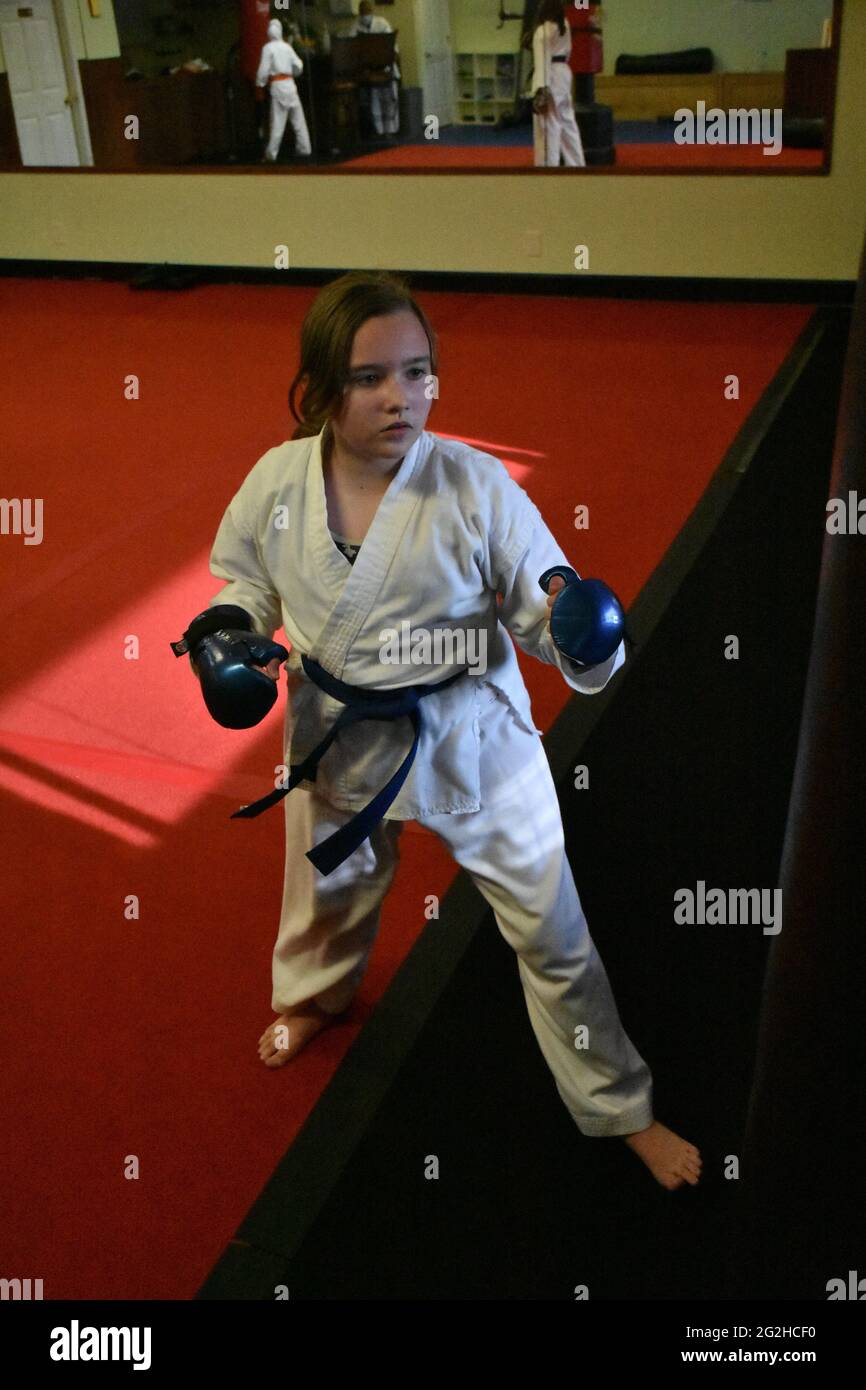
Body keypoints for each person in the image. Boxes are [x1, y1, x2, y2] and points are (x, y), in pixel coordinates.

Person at [195, 270, 701, 1192]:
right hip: (341, 732)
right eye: (370, 377)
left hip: (471, 731)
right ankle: (312, 998)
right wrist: (230, 630)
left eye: (419, 371)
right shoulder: (278, 480)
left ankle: (618, 1103)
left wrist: (579, 626)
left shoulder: (474, 485)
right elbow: (248, 580)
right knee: (327, 892)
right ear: (317, 391)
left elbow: (544, 603)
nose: (401, 397)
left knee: (551, 925)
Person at [530, 0, 586, 167]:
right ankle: (577, 165)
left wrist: (541, 88)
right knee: (568, 121)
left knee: (549, 125)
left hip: (550, 75)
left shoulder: (543, 31)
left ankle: (548, 167)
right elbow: (566, 52)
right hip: (564, 73)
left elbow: (542, 61)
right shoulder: (565, 25)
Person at [256, 17, 312, 162]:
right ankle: (305, 148)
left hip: (278, 86)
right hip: (290, 85)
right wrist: (293, 73)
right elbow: (299, 65)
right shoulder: (287, 47)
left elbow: (263, 70)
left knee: (278, 123)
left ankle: (271, 154)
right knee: (298, 120)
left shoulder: (268, 48)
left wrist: (260, 82)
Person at [349, 0, 400, 137]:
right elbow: (352, 49)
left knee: (389, 100)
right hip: (369, 70)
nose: (365, 15)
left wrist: (386, 61)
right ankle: (379, 131)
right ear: (360, 13)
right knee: (375, 101)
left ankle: (391, 130)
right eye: (363, 13)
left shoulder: (382, 24)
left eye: (367, 12)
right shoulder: (355, 26)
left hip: (386, 68)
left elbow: (393, 49)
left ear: (371, 12)